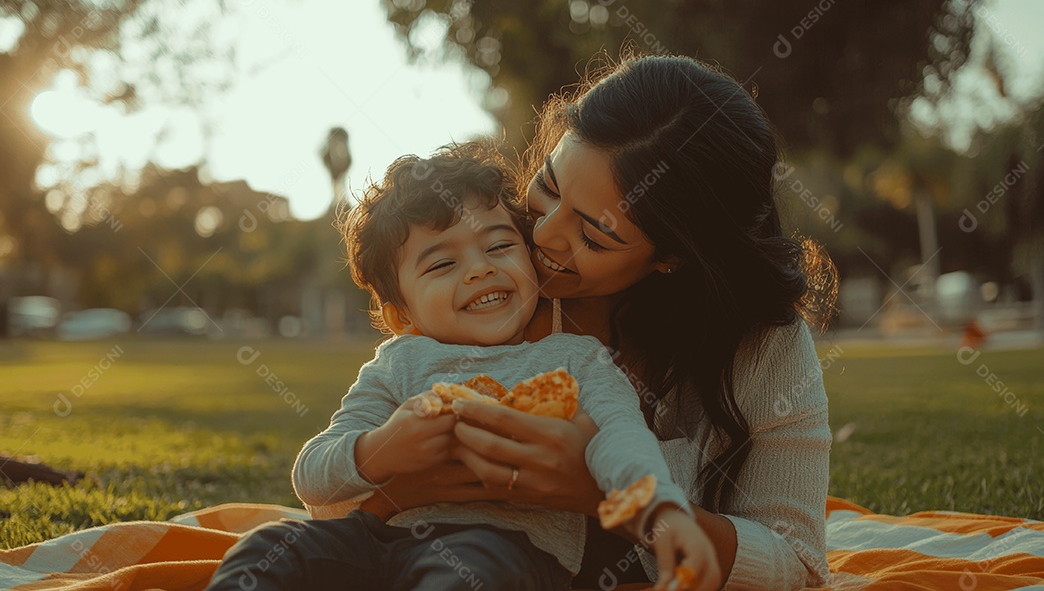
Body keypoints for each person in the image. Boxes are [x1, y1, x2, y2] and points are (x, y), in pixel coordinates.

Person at [358, 54, 839, 591]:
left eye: (594, 236)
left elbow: (798, 563)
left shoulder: (764, 346)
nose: (542, 237)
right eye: (549, 186)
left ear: (673, 257)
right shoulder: (492, 296)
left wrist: (595, 492)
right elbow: (340, 505)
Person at [207, 144, 721, 591]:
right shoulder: (399, 362)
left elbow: (622, 438)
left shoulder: (575, 358)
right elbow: (313, 474)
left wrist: (660, 511)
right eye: (442, 263)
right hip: (380, 538)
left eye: (499, 245)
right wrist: (382, 448)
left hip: (507, 549)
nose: (480, 268)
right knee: (271, 546)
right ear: (400, 314)